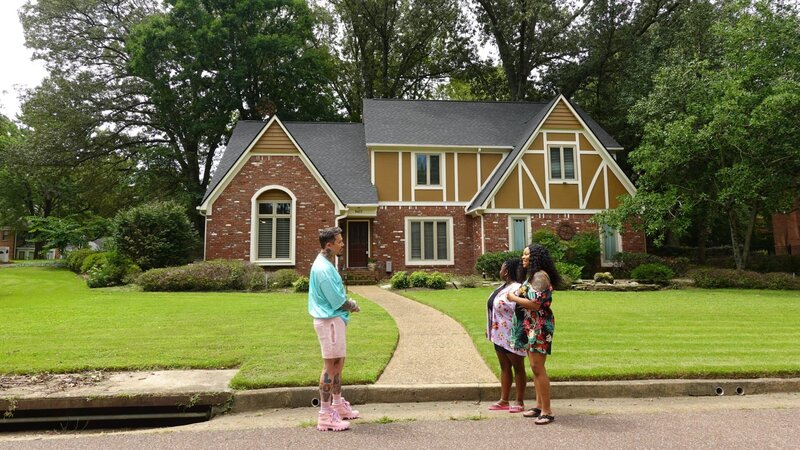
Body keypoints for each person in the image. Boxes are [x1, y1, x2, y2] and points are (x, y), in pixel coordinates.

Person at [308, 226, 361, 431]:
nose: (342, 244)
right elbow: (338, 301)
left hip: (333, 321)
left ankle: (337, 405)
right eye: (339, 241)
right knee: (330, 366)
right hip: (328, 321)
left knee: (338, 363)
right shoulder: (323, 270)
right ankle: (325, 415)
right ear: (329, 245)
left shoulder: (327, 263)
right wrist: (352, 305)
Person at [507, 243, 561, 425]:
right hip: (530, 324)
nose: (523, 257)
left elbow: (535, 304)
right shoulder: (532, 276)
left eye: (526, 255)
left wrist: (513, 297)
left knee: (538, 367)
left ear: (535, 257)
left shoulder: (540, 276)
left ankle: (547, 411)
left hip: (539, 325)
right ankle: (539, 406)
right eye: (523, 254)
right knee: (535, 367)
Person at [486, 257, 528, 413]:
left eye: (502, 268)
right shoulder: (502, 287)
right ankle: (503, 400)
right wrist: (489, 327)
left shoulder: (519, 288)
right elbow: (493, 309)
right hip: (498, 333)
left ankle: (519, 401)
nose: (500, 271)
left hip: (513, 334)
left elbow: (523, 310)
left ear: (507, 271)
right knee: (504, 367)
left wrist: (521, 333)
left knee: (518, 367)